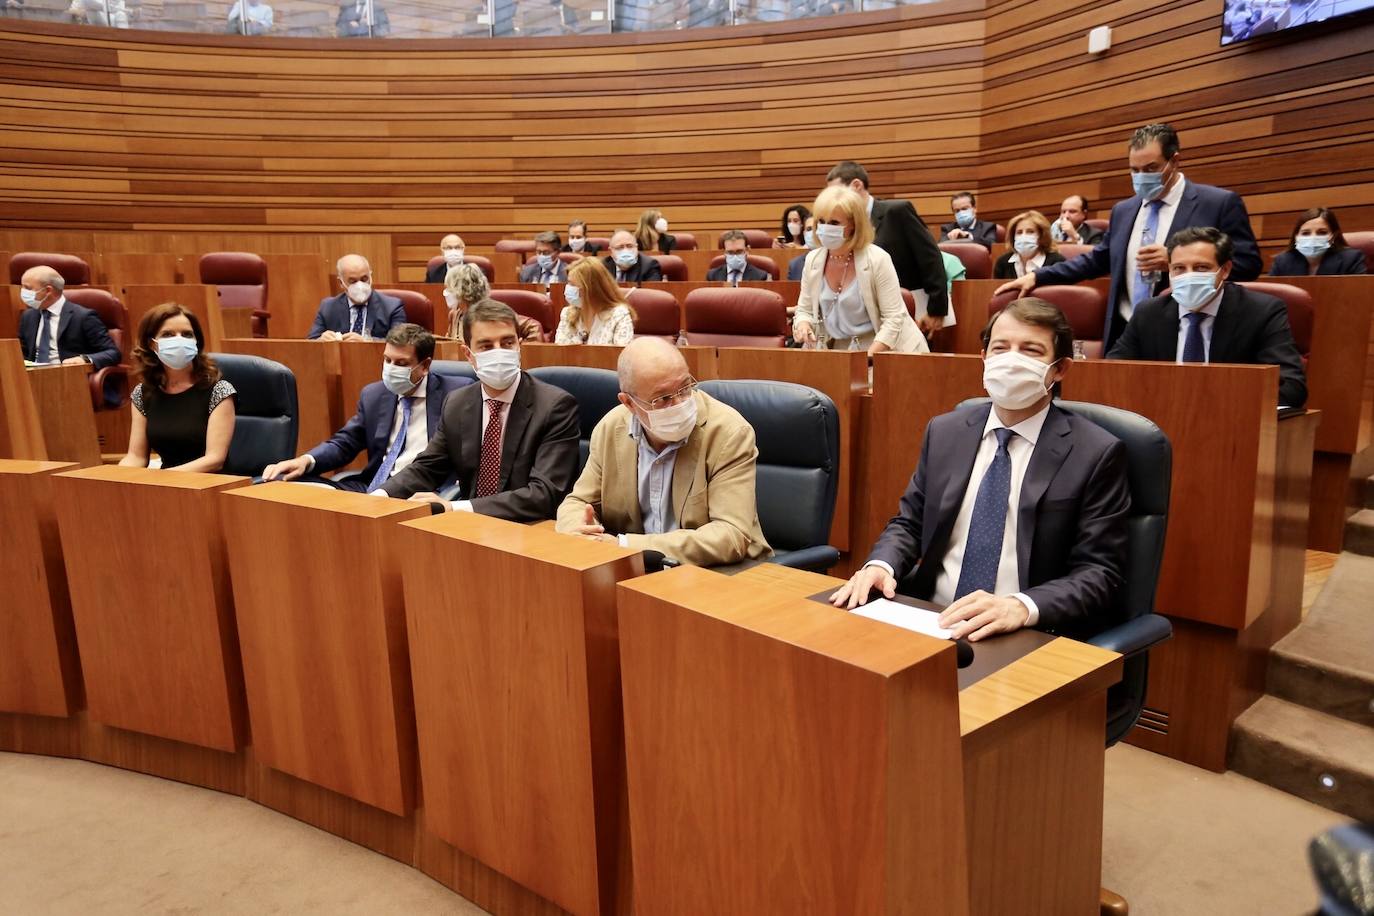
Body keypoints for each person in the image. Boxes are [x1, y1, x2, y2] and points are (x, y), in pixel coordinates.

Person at [830, 298, 1130, 641]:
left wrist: (1021, 606)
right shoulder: (945, 432)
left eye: (1031, 350)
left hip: (1025, 629)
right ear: (984, 358)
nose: (1012, 360)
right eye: (1001, 348)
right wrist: (880, 566)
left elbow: (1100, 572)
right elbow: (910, 522)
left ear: (1060, 369)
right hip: (931, 619)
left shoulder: (1096, 452)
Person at [995, 122, 1261, 348]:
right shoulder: (1124, 209)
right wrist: (1038, 275)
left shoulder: (1218, 203)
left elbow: (1248, 265)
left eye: (1151, 168)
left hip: (1187, 328)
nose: (1141, 177)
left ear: (1175, 161)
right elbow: (1098, 260)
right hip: (1125, 330)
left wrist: (1176, 263)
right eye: (1134, 170)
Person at [556, 337, 771, 566]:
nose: (679, 403)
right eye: (663, 398)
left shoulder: (728, 432)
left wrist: (624, 546)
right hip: (640, 573)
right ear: (628, 403)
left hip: (724, 575)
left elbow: (730, 536)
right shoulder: (611, 429)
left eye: (685, 387)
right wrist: (579, 533)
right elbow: (577, 502)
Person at [377, 300, 579, 521]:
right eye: (486, 346)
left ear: (519, 345)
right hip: (470, 529)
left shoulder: (555, 406)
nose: (499, 352)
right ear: (468, 353)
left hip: (529, 528)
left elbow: (544, 494)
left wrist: (455, 508)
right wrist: (379, 496)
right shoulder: (457, 402)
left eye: (507, 342)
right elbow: (427, 467)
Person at [1109, 226, 1308, 408]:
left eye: (1201, 268)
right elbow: (1113, 374)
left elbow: (1291, 387)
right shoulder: (1148, 313)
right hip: (1160, 419)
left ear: (1226, 270)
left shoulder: (1262, 311)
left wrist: (1210, 403)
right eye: (1179, 268)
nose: (1188, 276)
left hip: (1231, 422)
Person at [261, 324, 472, 492]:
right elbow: (346, 442)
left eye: (401, 363)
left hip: (423, 492)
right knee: (284, 484)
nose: (390, 368)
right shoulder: (375, 394)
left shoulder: (456, 394)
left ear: (424, 366)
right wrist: (305, 461)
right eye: (387, 360)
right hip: (371, 486)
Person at [792, 185, 928, 354]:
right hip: (839, 351)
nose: (825, 228)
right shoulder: (813, 260)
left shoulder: (877, 259)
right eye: (820, 222)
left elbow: (894, 320)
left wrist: (866, 359)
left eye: (834, 222)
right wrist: (803, 324)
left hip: (886, 350)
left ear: (854, 226)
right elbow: (804, 309)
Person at [826, 161, 950, 333]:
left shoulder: (897, 211)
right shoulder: (846, 225)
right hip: (865, 315)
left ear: (856, 185)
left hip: (910, 310)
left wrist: (936, 309)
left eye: (837, 192)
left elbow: (930, 257)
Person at [120, 304, 237, 473]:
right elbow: (136, 457)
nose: (179, 340)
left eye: (187, 334)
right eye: (168, 334)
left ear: (196, 342)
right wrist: (115, 478)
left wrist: (163, 479)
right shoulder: (143, 394)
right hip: (167, 486)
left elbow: (215, 460)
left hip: (211, 484)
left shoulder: (219, 391)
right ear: (151, 344)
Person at [18, 266, 120, 369]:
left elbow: (113, 353)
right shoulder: (28, 316)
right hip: (32, 377)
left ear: (48, 290)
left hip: (68, 377)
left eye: (28, 288)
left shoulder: (83, 317)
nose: (23, 292)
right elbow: (23, 354)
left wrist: (84, 359)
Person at [308, 254, 406, 341]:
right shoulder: (328, 307)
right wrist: (321, 340)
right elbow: (311, 343)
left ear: (371, 277)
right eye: (353, 281)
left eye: (364, 279)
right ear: (341, 283)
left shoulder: (392, 307)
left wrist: (367, 341)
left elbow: (400, 344)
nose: (360, 285)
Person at [442, 263, 544, 343]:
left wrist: (519, 352)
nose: (446, 292)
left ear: (460, 291)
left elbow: (534, 327)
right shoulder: (455, 315)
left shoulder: (493, 313)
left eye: (448, 289)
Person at [555, 258, 636, 345]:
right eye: (568, 283)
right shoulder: (567, 313)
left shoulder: (619, 315)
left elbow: (622, 354)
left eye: (573, 284)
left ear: (592, 288)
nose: (568, 288)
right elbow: (560, 351)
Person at [1270, 207, 1367, 276]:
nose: (1313, 237)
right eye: (1305, 233)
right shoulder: (1282, 261)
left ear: (1333, 236)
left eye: (1322, 232)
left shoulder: (1351, 259)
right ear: (1296, 237)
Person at [993, 211, 1066, 280]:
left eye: (1030, 232)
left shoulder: (1056, 262)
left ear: (1041, 236)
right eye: (1019, 232)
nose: (1023, 236)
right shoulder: (1003, 263)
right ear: (1013, 237)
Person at [787, 214, 818, 281]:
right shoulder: (795, 265)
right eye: (809, 229)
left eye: (816, 228)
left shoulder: (836, 260)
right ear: (804, 234)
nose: (813, 233)